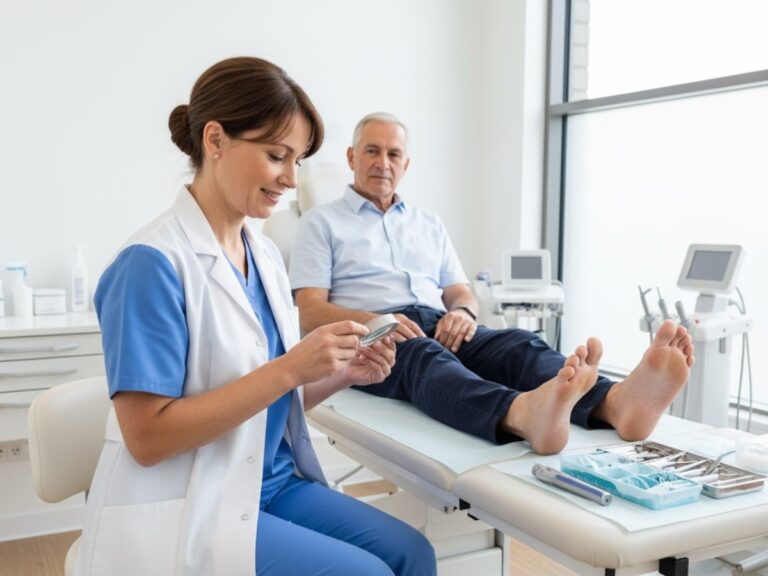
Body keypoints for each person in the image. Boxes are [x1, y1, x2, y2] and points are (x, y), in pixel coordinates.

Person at [80, 64, 436, 576]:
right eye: (276, 156)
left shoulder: (263, 255)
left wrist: (340, 374)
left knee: (413, 553)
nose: (291, 180)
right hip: (195, 499)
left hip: (271, 483)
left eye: (296, 161)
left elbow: (268, 405)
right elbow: (147, 439)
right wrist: (291, 368)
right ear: (216, 139)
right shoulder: (151, 264)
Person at [289, 111, 695, 456]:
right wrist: (381, 320)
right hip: (373, 338)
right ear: (351, 157)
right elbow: (309, 309)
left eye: (393, 153)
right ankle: (522, 414)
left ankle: (615, 403)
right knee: (422, 358)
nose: (383, 162)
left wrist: (463, 313)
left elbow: (460, 293)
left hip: (438, 321)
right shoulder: (320, 223)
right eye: (372, 151)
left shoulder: (428, 223)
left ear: (406, 164)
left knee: (517, 345)